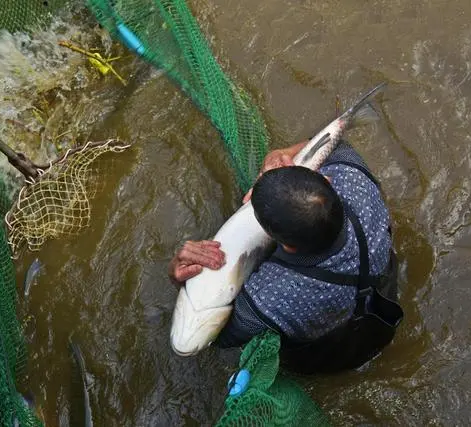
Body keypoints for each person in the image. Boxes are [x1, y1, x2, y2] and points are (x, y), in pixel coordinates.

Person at [168, 140, 403, 374]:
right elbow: (335, 141)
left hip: (327, 357)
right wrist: (282, 154)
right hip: (381, 293)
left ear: (284, 245)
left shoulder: (273, 297)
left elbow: (205, 339)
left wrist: (179, 275)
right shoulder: (352, 178)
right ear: (326, 182)